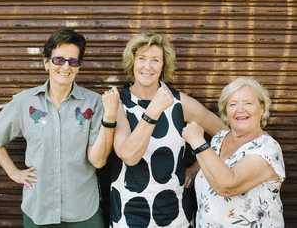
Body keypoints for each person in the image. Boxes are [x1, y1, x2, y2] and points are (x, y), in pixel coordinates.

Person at [0, 27, 119, 227]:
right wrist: (13, 172)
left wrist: (109, 118)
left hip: (83, 212)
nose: (66, 66)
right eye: (58, 60)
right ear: (46, 63)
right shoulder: (24, 102)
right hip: (38, 211)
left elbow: (98, 161)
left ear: (79, 66)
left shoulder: (94, 103)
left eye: (73, 61)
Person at [109, 31, 225, 227]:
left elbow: (224, 134)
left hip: (175, 214)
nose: (148, 66)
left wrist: (198, 167)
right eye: (142, 59)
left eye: (155, 60)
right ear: (132, 62)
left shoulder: (180, 103)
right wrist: (153, 110)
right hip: (128, 215)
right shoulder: (119, 103)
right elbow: (129, 155)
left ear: (164, 65)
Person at [182, 77, 285, 227]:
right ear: (226, 111)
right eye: (233, 104)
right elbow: (213, 164)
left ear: (262, 108)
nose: (240, 110)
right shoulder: (219, 139)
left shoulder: (267, 149)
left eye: (248, 103)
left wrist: (198, 142)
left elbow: (227, 186)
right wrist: (193, 170)